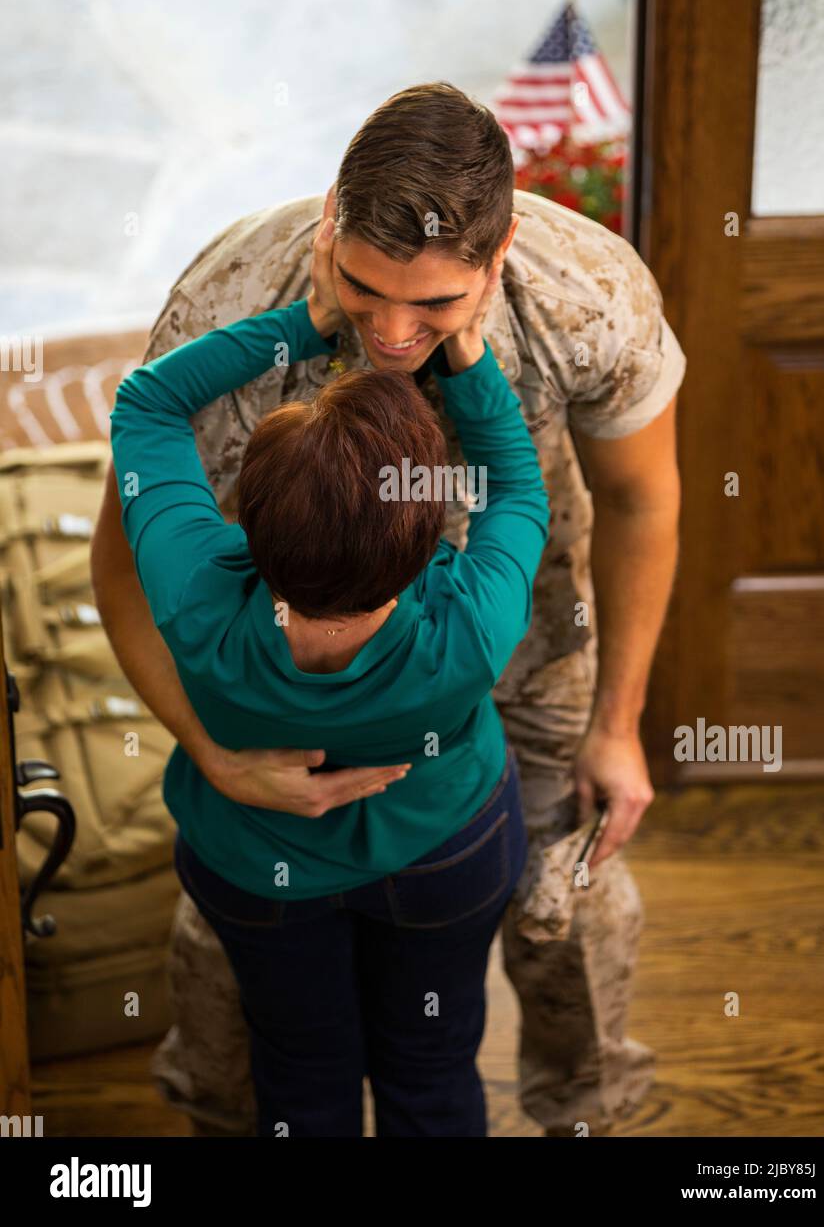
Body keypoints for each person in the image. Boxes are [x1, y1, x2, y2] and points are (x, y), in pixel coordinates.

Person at [92, 81, 686, 1138]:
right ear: (329, 221)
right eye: (364, 294)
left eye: (436, 308)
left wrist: (617, 723)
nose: (394, 335)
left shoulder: (590, 296)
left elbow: (642, 496)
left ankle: (588, 1108)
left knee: (561, 913)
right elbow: (515, 486)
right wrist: (216, 752)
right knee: (423, 1051)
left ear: (496, 258)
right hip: (431, 758)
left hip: (526, 655)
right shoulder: (220, 293)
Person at [108, 238, 549, 1137]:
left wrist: (303, 326)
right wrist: (460, 343)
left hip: (257, 871)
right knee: (432, 1068)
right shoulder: (472, 625)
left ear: (245, 522)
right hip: (446, 859)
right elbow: (519, 490)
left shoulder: (194, 591)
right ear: (430, 540)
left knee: (300, 1074)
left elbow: (146, 401)